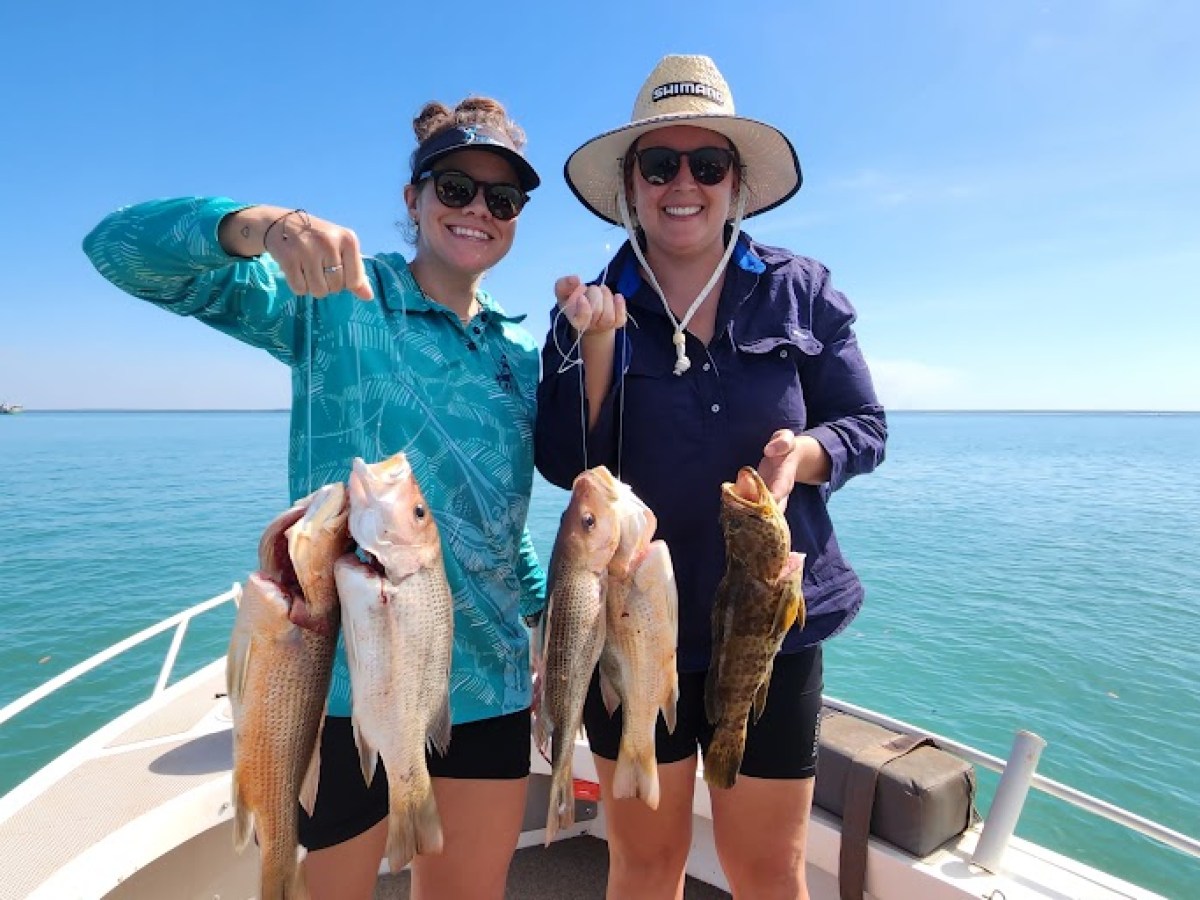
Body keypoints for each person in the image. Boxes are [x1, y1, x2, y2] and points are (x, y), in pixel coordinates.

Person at [83, 96, 546, 900]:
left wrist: (549, 619)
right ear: (413, 198)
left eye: (501, 199)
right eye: (455, 187)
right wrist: (259, 226)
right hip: (335, 677)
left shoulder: (521, 353)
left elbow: (503, 518)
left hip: (491, 683)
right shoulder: (337, 299)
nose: (478, 209)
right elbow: (118, 250)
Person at [535, 55, 887, 899]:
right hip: (630, 619)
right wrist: (595, 349)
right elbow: (564, 464)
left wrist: (803, 457)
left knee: (769, 868)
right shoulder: (588, 307)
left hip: (768, 624)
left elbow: (864, 427)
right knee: (644, 863)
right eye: (660, 165)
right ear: (631, 186)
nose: (683, 184)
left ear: (737, 182)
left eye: (707, 164)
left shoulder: (801, 291)